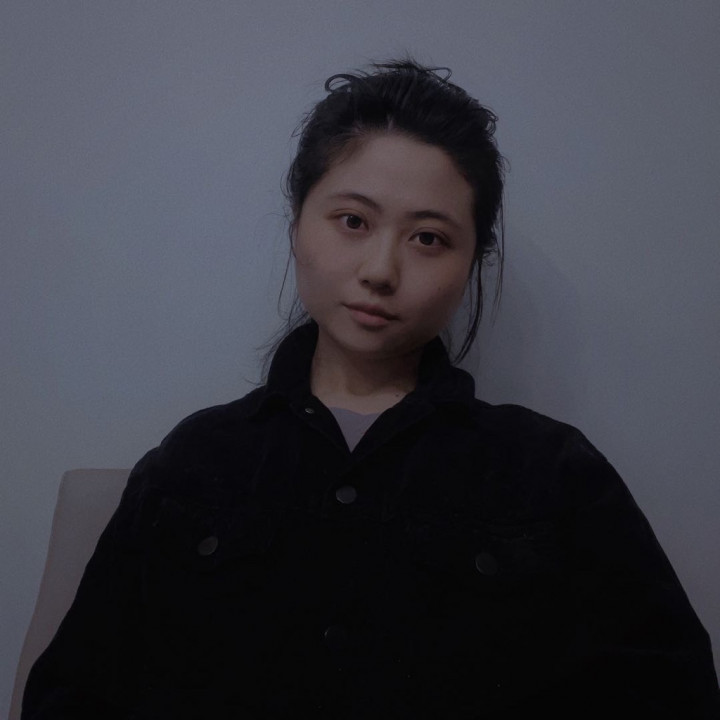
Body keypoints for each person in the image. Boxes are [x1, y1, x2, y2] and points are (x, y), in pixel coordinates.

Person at [22, 59, 720, 719]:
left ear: (472, 262)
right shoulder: (195, 460)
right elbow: (74, 693)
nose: (381, 270)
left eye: (428, 238)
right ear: (297, 224)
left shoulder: (553, 474)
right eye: (353, 221)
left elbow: (671, 691)